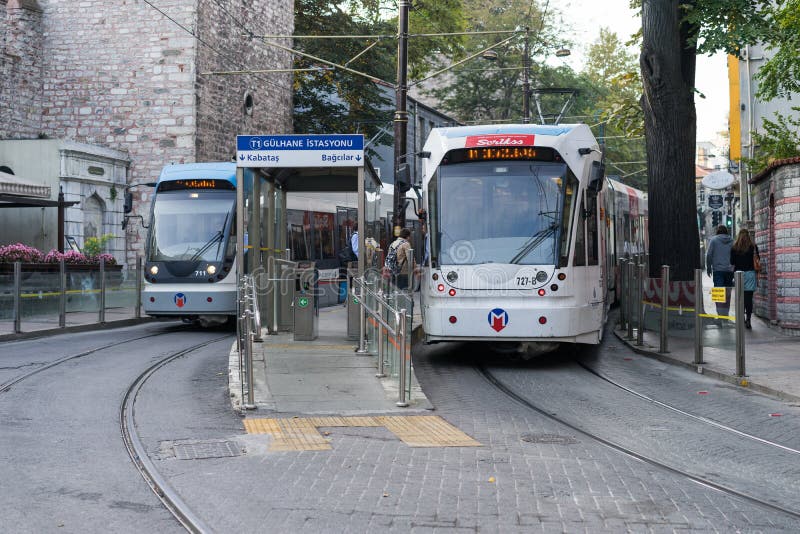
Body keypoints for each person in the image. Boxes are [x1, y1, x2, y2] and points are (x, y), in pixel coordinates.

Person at [730, 228, 760, 329]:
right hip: (750, 274)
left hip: (739, 275)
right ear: (748, 236)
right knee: (748, 298)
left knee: (740, 298)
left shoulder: (734, 248)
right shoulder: (753, 247)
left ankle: (741, 318)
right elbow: (757, 259)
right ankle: (748, 319)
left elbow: (732, 262)